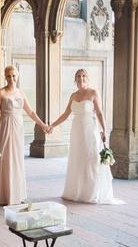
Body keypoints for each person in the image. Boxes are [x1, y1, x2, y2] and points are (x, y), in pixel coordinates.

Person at [49, 69, 124, 204]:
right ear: (75, 79)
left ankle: (92, 192)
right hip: (77, 131)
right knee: (78, 159)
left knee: (91, 159)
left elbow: (100, 113)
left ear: (87, 78)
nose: (81, 78)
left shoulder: (93, 93)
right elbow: (66, 115)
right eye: (78, 76)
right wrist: (52, 125)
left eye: (84, 76)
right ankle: (77, 191)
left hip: (90, 130)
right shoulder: (73, 96)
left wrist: (104, 130)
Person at [0, 65, 49, 205]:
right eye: (9, 76)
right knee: (5, 158)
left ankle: (17, 194)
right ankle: (5, 195)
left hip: (18, 128)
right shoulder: (1, 93)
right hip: (4, 127)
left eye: (14, 75)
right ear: (5, 77)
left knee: (16, 159)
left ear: (18, 76)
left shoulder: (21, 93)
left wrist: (43, 125)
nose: (11, 78)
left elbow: (31, 112)